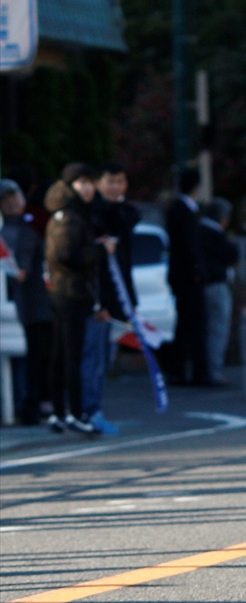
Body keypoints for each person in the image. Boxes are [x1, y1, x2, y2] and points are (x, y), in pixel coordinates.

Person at [44, 163, 115, 434]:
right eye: (82, 183)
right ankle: (74, 413)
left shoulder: (63, 213)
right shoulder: (70, 216)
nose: (88, 188)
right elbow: (65, 255)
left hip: (63, 293)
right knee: (71, 357)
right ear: (70, 185)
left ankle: (59, 413)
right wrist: (99, 250)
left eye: (90, 182)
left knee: (61, 356)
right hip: (71, 293)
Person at [81, 160, 141, 434]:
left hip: (120, 297)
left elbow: (129, 221)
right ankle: (89, 411)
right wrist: (101, 302)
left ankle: (94, 409)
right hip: (98, 300)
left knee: (105, 360)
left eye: (120, 181)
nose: (115, 187)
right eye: (110, 181)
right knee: (93, 358)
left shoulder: (125, 213)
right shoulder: (91, 215)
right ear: (98, 183)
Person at [0, 179, 52, 425]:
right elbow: (20, 270)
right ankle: (28, 407)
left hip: (27, 305)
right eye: (7, 198)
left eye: (15, 196)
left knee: (27, 360)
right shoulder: (18, 230)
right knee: (29, 359)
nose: (13, 202)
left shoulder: (25, 225)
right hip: (24, 306)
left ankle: (27, 405)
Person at [165, 168, 210, 385]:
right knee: (195, 324)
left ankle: (178, 369)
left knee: (184, 324)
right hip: (189, 277)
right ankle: (197, 371)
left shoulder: (177, 209)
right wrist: (198, 272)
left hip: (181, 276)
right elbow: (189, 247)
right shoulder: (185, 211)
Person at [199, 197, 238, 386]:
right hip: (216, 283)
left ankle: (205, 369)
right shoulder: (214, 234)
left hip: (200, 285)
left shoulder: (197, 231)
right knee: (217, 328)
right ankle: (213, 370)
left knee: (206, 328)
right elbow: (232, 253)